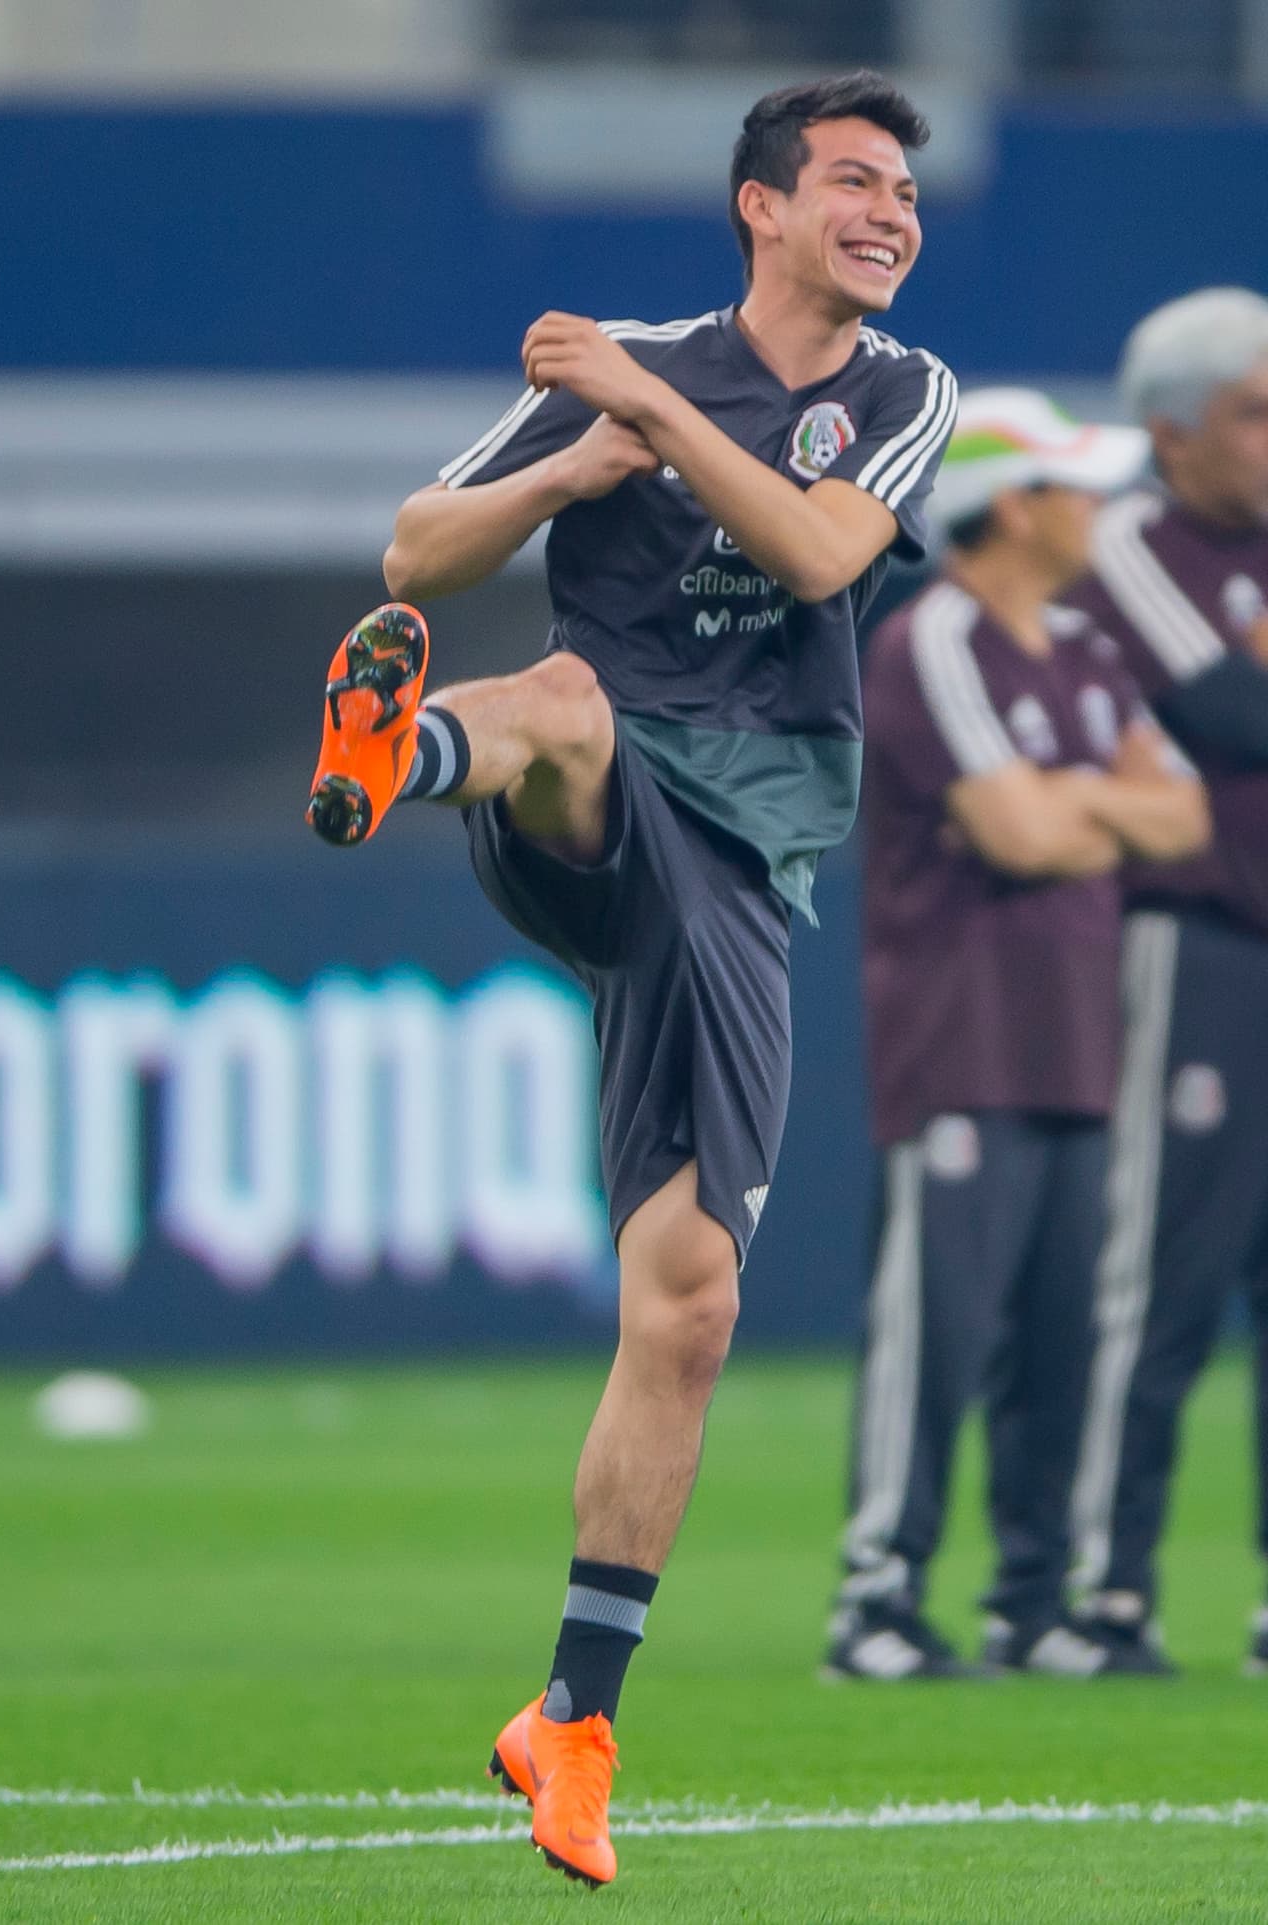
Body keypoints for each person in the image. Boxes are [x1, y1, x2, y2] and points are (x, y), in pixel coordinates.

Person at [304, 74, 957, 1885]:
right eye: (851, 182)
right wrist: (572, 465)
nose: (890, 211)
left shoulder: (906, 396)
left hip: (743, 867)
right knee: (572, 702)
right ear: (760, 207)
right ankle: (404, 749)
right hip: (594, 800)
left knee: (685, 1305)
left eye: (902, 189)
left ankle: (571, 1718)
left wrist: (650, 411)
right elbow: (414, 550)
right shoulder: (621, 371)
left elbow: (825, 553)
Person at [821, 388, 1209, 1682]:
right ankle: (876, 1595)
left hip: (1081, 1048)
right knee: (935, 1333)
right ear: (1015, 507)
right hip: (961, 1046)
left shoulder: (1089, 652)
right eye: (1077, 489)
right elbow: (1019, 834)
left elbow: (1187, 819)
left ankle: (1029, 1602)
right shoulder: (932, 638)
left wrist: (1072, 798)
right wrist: (1093, 805)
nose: (1100, 511)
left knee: (1059, 1340)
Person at [1067, 288, 1268, 1675]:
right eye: (1254, 411)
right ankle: (1107, 1590)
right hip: (1194, 946)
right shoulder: (1133, 539)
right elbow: (1231, 716)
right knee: (1164, 1279)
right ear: (1172, 430)